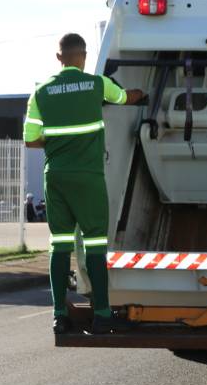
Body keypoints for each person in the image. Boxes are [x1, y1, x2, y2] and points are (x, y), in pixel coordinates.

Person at [23, 33, 145, 336]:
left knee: (60, 246)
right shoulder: (96, 85)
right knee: (94, 246)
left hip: (57, 178)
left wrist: (57, 139)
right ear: (84, 56)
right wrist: (141, 94)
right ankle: (102, 315)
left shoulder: (40, 92)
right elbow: (124, 97)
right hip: (88, 179)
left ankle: (59, 316)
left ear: (59, 57)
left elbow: (30, 139)